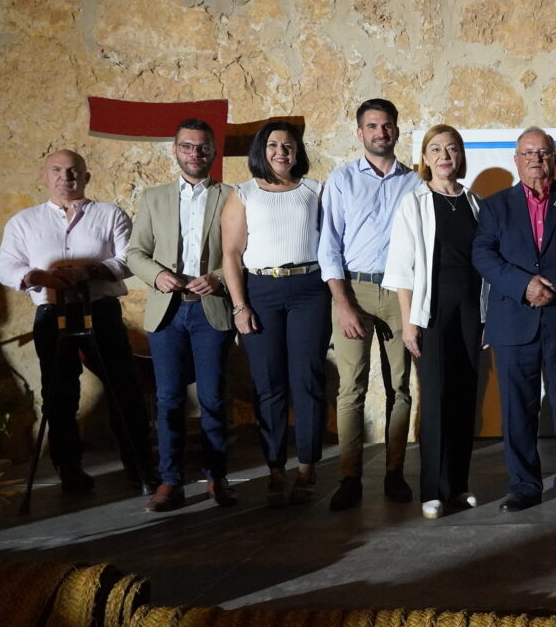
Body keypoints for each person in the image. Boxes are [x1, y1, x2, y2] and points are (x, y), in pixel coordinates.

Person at [0, 150, 157, 495]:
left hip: (99, 310)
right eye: (57, 170)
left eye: (73, 171)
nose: (65, 178)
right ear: (45, 176)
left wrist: (92, 270)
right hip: (51, 313)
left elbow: (129, 257)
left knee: (123, 388)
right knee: (59, 395)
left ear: (86, 177)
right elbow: (6, 267)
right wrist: (36, 275)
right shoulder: (23, 222)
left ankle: (141, 467)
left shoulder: (109, 214)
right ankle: (69, 470)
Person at [472, 127, 556, 512]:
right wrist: (523, 285)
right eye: (528, 152)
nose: (536, 159)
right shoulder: (495, 206)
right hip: (515, 319)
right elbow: (483, 254)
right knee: (517, 409)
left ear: (554, 159)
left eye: (543, 152)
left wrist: (554, 283)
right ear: (515, 160)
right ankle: (524, 486)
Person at [127, 119, 237, 511]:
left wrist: (220, 279)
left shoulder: (232, 196)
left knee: (212, 398)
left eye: (203, 147)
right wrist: (157, 275)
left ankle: (216, 477)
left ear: (213, 152)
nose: (195, 154)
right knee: (169, 400)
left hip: (211, 311)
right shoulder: (154, 198)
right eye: (187, 147)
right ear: (175, 150)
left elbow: (245, 254)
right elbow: (135, 252)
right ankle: (170, 482)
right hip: (167, 313)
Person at [221, 121, 331, 507]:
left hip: (309, 289)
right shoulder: (244, 193)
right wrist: (239, 306)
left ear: (298, 151)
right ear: (261, 151)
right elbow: (231, 254)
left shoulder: (315, 190)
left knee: (308, 379)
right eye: (272, 145)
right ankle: (274, 467)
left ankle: (307, 466)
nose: (281, 151)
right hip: (261, 290)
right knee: (269, 384)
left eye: (288, 145)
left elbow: (333, 244)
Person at [318, 99, 420, 511]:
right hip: (354, 290)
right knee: (351, 388)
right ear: (360, 133)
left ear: (397, 131)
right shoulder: (341, 181)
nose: (381, 132)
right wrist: (342, 304)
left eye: (388, 125)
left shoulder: (415, 183)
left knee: (400, 386)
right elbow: (329, 247)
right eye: (372, 126)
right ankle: (349, 477)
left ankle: (394, 473)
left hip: (400, 292)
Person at [383, 124, 485, 520]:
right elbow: (403, 269)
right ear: (425, 159)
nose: (445, 156)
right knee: (437, 397)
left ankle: (458, 485)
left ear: (460, 156)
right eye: (436, 149)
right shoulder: (414, 203)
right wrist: (410, 322)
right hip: (432, 309)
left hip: (471, 309)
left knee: (464, 397)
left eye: (452, 148)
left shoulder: (476, 203)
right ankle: (433, 490)